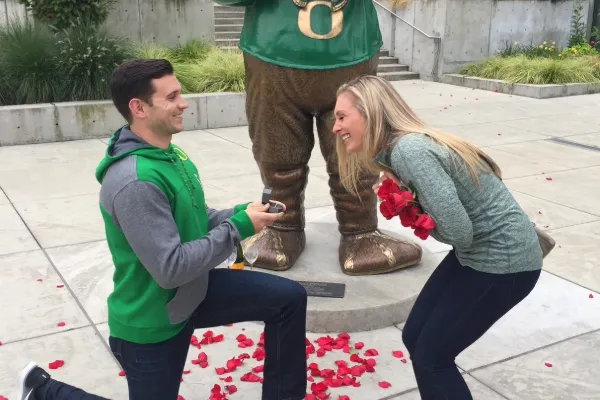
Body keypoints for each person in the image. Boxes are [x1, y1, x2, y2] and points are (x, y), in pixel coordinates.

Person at [18, 59, 308, 400]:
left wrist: (241, 213)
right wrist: (237, 227)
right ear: (139, 108)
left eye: (180, 94)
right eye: (171, 97)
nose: (183, 103)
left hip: (192, 294)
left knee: (288, 299)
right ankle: (44, 391)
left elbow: (193, 218)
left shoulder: (171, 155)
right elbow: (170, 269)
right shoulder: (135, 182)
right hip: (152, 321)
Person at [332, 75, 543, 399]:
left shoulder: (409, 150)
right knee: (415, 336)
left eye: (342, 116)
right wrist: (415, 210)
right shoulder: (398, 150)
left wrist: (414, 213)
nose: (335, 127)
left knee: (433, 359)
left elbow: (460, 232)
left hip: (505, 263)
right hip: (477, 256)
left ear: (370, 113)